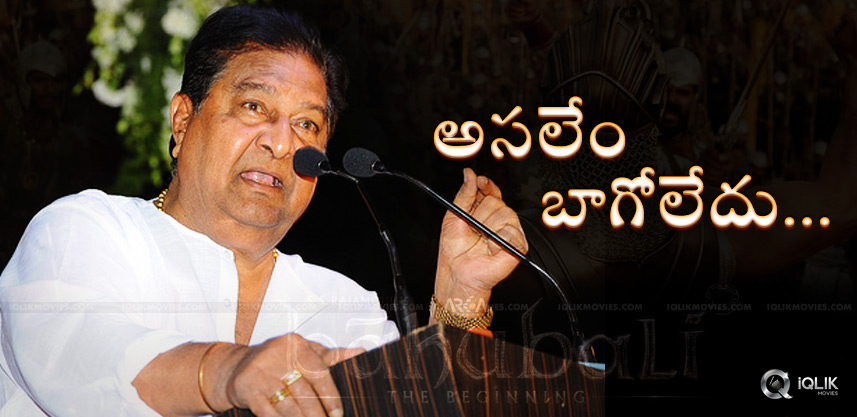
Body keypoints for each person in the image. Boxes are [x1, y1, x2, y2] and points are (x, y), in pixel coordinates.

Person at [0, 5, 527, 417]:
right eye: (254, 107)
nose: (281, 143)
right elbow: (80, 359)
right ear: (183, 121)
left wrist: (461, 295)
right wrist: (232, 371)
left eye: (307, 125)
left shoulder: (342, 306)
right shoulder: (87, 232)